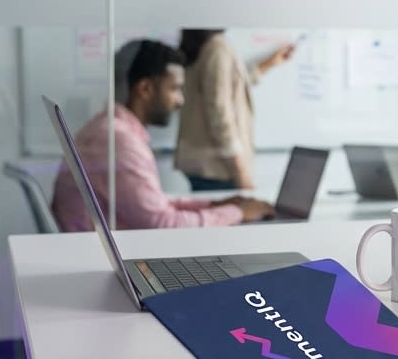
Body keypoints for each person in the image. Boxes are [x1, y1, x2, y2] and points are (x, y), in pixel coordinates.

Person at [52, 40, 274, 231]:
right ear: (145, 89)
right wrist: (236, 213)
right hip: (103, 257)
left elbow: (154, 204)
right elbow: (162, 222)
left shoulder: (111, 129)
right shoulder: (118, 140)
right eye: (175, 89)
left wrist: (214, 205)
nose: (180, 100)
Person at [174, 29, 294, 191]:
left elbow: (232, 89)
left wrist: (270, 63)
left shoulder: (200, 46)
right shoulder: (216, 48)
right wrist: (240, 172)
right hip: (219, 167)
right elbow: (219, 114)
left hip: (204, 163)